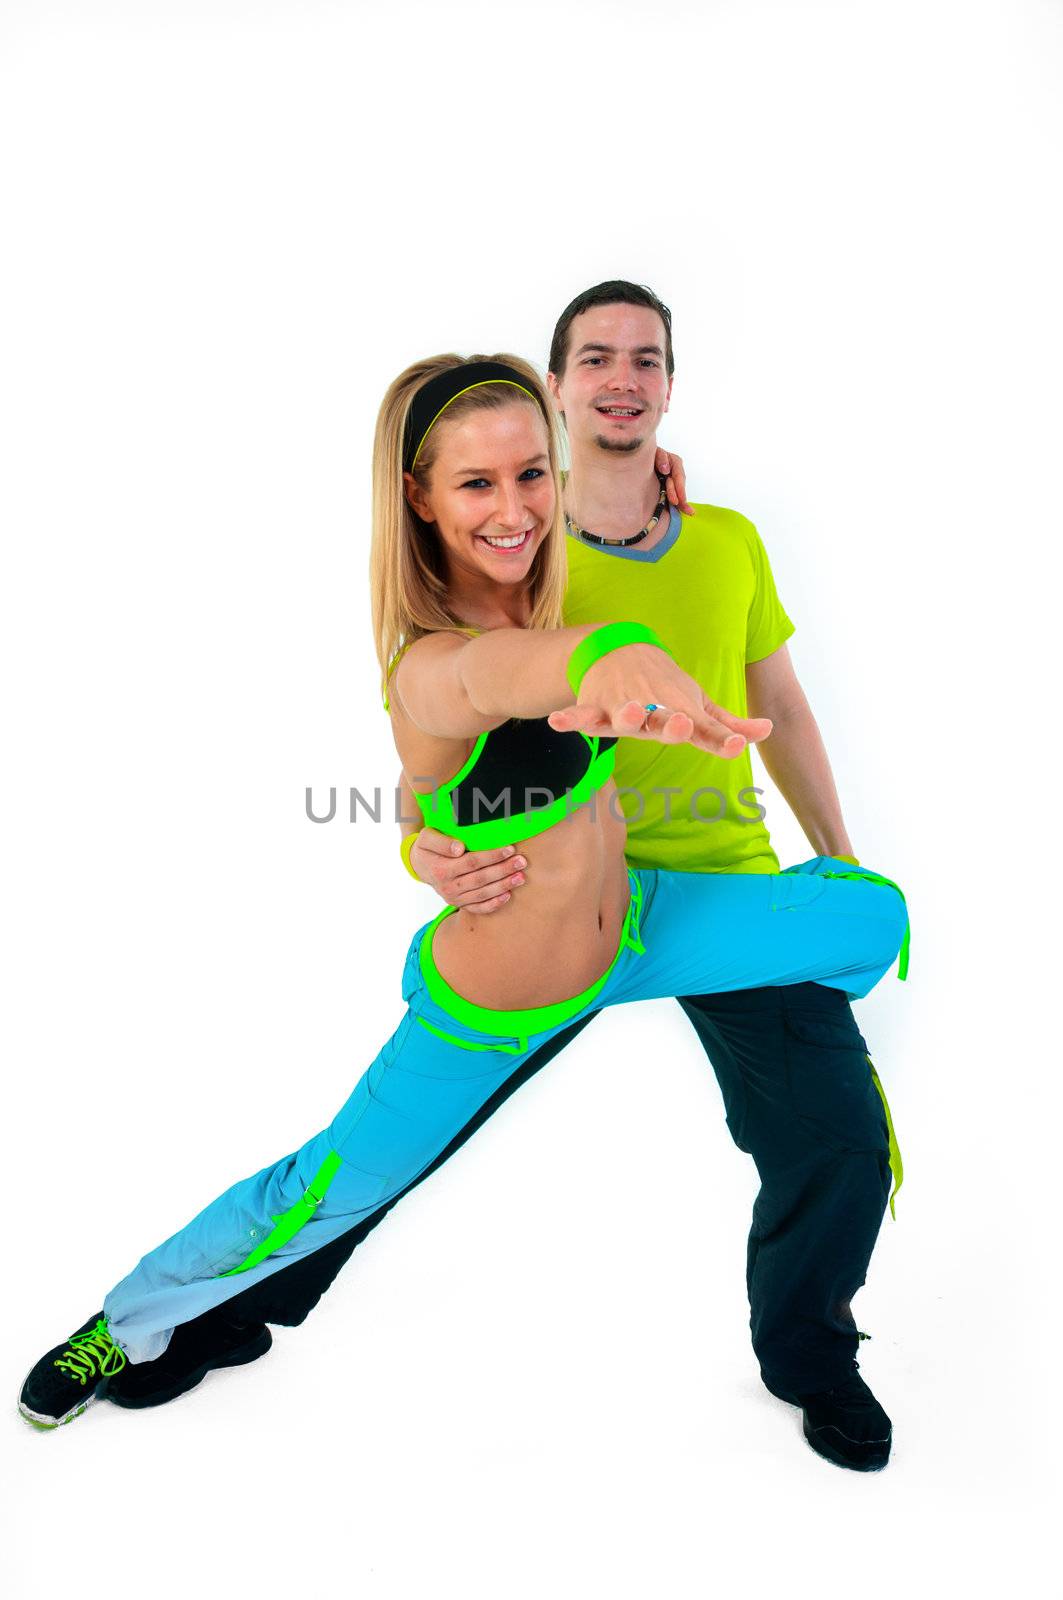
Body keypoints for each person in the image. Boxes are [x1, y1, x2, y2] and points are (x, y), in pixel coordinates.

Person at [18, 352, 906, 1475]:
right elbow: (488, 686)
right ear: (418, 498)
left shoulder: (576, 547)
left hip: (644, 915)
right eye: (475, 486)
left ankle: (814, 1354)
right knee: (332, 1183)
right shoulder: (430, 659)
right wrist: (610, 656)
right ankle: (128, 1321)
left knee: (875, 917)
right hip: (509, 984)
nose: (514, 508)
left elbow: (608, 530)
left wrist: (641, 512)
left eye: (531, 476)